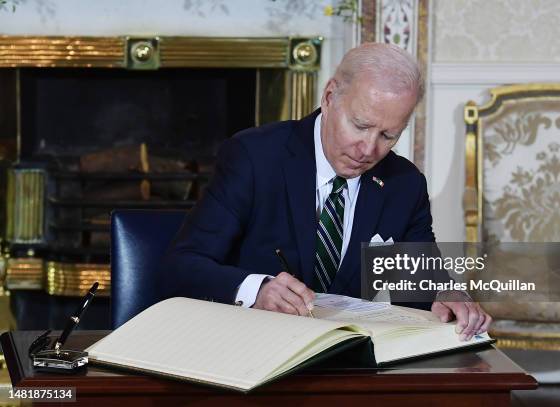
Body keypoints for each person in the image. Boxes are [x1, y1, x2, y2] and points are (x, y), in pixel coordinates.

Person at [162, 42, 491, 341]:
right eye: (360, 125)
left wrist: (446, 297)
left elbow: (419, 284)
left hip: (344, 362)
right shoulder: (254, 156)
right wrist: (255, 290)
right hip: (248, 348)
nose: (368, 149)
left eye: (388, 136)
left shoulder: (404, 183)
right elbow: (182, 265)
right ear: (330, 96)